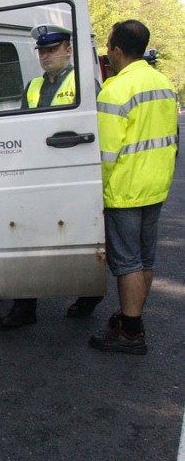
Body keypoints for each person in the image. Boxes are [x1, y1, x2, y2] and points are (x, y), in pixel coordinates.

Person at [0, 23, 103, 329]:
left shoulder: (85, 84)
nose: (46, 56)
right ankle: (24, 306)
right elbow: (21, 128)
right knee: (26, 237)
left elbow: (97, 130)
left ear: (68, 50)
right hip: (37, 173)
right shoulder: (33, 86)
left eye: (53, 49)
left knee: (80, 236)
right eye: (42, 51)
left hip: (73, 171)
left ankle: (88, 292)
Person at [88, 19, 178, 354]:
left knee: (127, 263)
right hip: (155, 185)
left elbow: (106, 154)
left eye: (108, 47)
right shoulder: (163, 82)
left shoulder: (115, 89)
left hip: (125, 190)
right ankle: (131, 315)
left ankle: (130, 331)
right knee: (145, 259)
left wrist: (96, 193)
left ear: (116, 50)